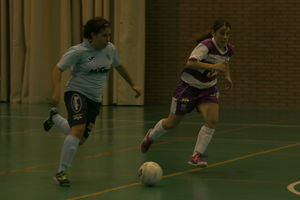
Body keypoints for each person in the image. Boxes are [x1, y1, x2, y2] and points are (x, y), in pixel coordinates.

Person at [43, 17, 141, 186]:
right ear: (92, 35)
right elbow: (58, 69)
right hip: (76, 93)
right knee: (78, 128)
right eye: (104, 36)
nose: (107, 39)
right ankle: (61, 172)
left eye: (109, 35)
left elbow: (118, 66)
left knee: (79, 138)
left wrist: (133, 84)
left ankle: (54, 118)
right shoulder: (78, 51)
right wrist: (56, 92)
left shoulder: (110, 49)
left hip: (95, 100)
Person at [141, 20, 234, 167]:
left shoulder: (229, 49)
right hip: (189, 88)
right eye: (222, 33)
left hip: (208, 89)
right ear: (213, 33)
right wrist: (213, 66)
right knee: (172, 123)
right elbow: (190, 63)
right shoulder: (205, 46)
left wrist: (227, 76)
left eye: (228, 34)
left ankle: (196, 156)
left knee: (212, 120)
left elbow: (225, 62)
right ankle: (151, 136)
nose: (225, 37)